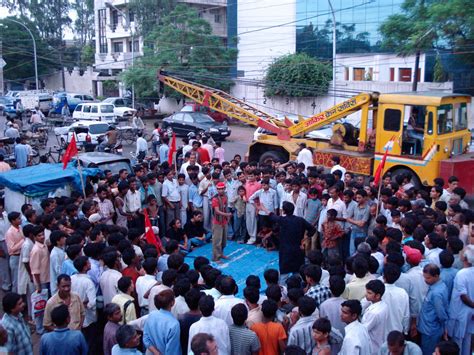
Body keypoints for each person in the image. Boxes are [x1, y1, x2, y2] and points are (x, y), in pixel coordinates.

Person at [269, 201, 316, 282]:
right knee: (298, 273)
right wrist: (305, 239)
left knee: (284, 275)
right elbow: (312, 229)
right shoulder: (300, 220)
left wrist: (262, 208)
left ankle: (283, 291)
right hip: (298, 249)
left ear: (284, 211)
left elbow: (272, 216)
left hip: (285, 251)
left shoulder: (283, 220)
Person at [447, 245, 474, 355]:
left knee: (458, 340)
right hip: (469, 312)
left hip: (461, 312)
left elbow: (463, 296)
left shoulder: (462, 274)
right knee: (467, 339)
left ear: (465, 258)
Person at [417, 264, 449, 355]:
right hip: (429, 328)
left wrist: (443, 327)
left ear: (436, 276)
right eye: (425, 277)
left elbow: (441, 314)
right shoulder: (439, 286)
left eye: (428, 278)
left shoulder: (436, 293)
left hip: (430, 330)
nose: (425, 280)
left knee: (428, 352)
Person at [143, 289, 181, 355]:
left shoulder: (151, 315)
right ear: (172, 302)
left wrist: (156, 352)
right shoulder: (174, 324)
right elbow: (172, 351)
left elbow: (146, 338)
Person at [361, 280, 388, 354]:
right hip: (377, 342)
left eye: (369, 293)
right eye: (367, 292)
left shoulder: (374, 313)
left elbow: (363, 329)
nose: (366, 294)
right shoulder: (382, 304)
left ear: (377, 296)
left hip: (373, 346)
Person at [211, 182, 232, 262]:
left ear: (224, 189)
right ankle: (216, 257)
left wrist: (227, 218)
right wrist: (227, 214)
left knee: (223, 241)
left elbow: (225, 207)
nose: (221, 190)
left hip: (224, 221)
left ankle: (221, 254)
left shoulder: (225, 197)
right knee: (217, 241)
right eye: (219, 189)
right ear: (217, 190)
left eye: (222, 189)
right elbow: (217, 211)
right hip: (217, 222)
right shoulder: (215, 199)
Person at [6, 211, 24, 293]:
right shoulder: (9, 233)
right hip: (15, 257)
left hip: (21, 256)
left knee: (21, 279)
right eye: (18, 219)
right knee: (16, 280)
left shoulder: (20, 228)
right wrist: (22, 241)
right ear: (13, 221)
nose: (20, 220)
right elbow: (11, 248)